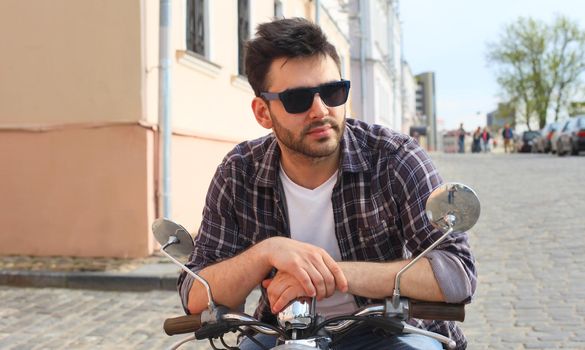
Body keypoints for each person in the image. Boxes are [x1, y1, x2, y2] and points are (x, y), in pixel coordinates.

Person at [178, 18, 476, 350]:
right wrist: (268, 252)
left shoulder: (394, 158)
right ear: (263, 112)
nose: (321, 110)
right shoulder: (239, 172)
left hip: (388, 328)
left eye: (333, 92)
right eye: (297, 99)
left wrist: (333, 275)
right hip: (281, 331)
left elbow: (457, 273)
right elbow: (196, 295)